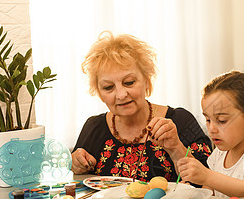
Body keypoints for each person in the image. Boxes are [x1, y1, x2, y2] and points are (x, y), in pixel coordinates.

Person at [71, 31, 211, 182]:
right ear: (99, 92)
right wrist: (76, 164)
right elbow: (79, 185)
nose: (121, 94)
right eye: (108, 87)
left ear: (147, 81)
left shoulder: (180, 121)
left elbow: (210, 183)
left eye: (129, 82)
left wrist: (176, 148)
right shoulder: (94, 127)